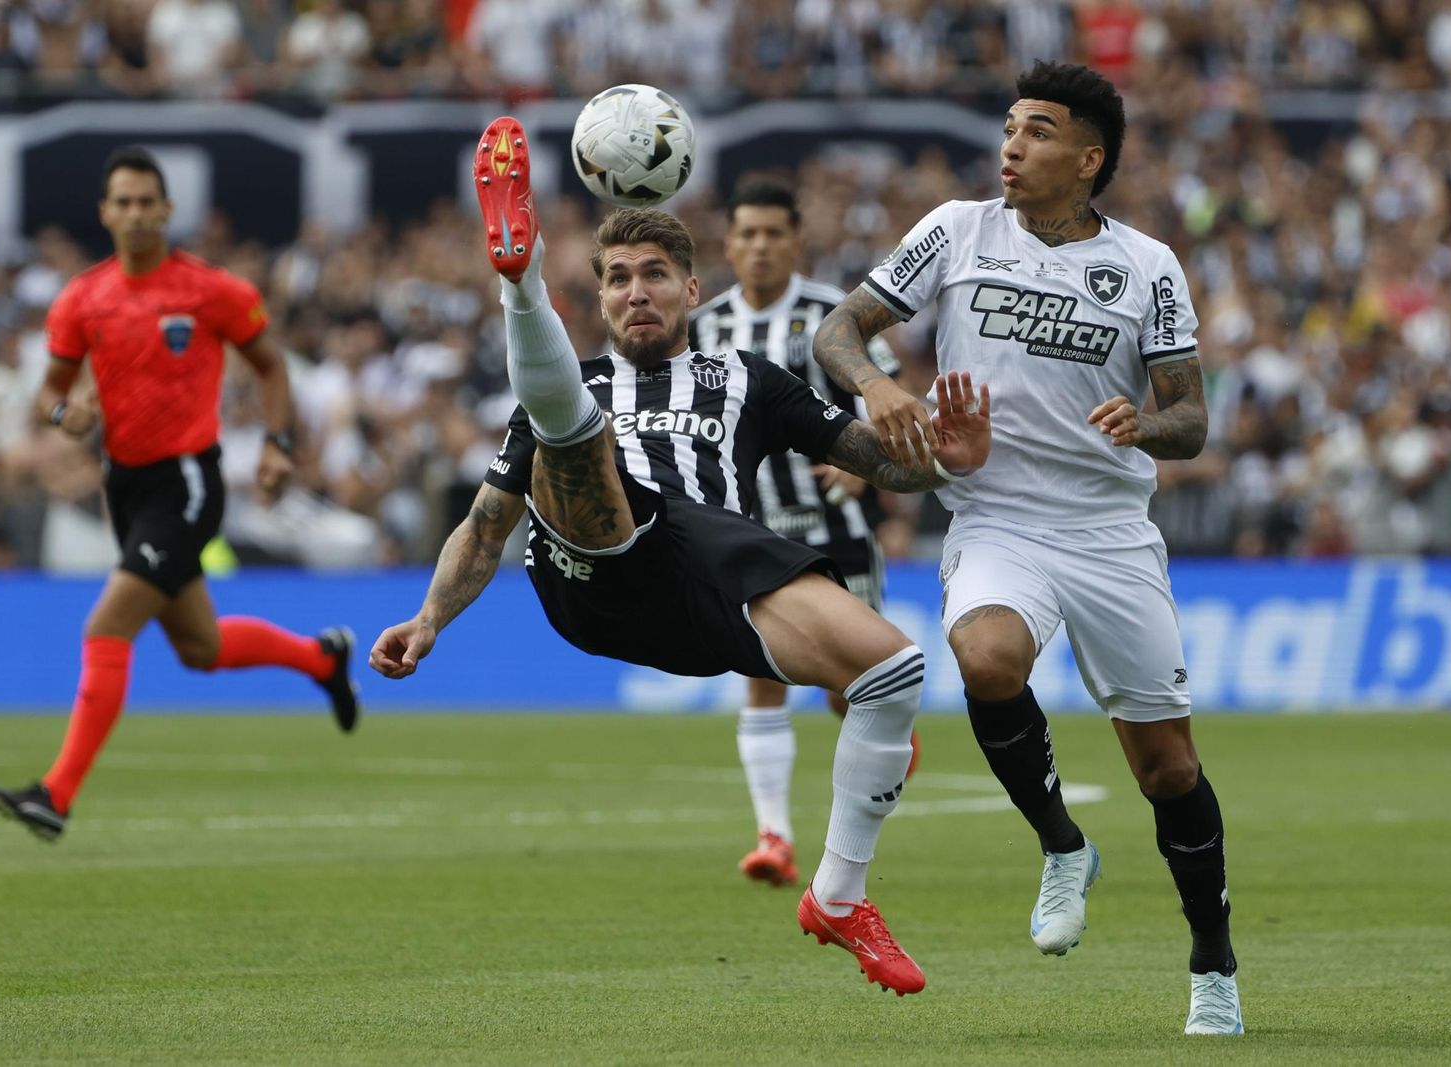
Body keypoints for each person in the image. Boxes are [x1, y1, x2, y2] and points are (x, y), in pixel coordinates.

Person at [368, 118, 992, 996]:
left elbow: (880, 462)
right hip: (596, 575)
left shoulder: (752, 381)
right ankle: (521, 284)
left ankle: (840, 895)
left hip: (713, 589)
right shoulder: (582, 383)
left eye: (654, 275)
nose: (635, 293)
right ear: (598, 299)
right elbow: (483, 524)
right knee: (573, 436)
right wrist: (429, 619)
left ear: (693, 287)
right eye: (617, 279)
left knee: (895, 670)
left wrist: (942, 457)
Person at [813, 61, 1244, 1034]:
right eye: (1009, 127)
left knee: (1167, 770)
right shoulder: (956, 230)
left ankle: (1212, 963)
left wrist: (1146, 422)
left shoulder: (1147, 265)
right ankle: (1060, 843)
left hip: (1107, 533)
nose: (1012, 144)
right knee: (985, 655)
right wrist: (879, 389)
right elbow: (838, 330)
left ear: (1088, 159)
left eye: (1038, 131)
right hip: (995, 517)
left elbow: (1191, 420)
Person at [0, 147, 359, 843]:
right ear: (105, 212)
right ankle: (320, 658)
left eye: (144, 201)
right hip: (122, 485)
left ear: (165, 210)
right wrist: (68, 418)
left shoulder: (209, 291)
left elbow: (272, 368)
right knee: (200, 647)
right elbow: (51, 393)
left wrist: (276, 444)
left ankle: (55, 795)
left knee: (106, 627)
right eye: (120, 202)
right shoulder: (82, 299)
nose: (133, 213)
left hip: (186, 481)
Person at [691, 180, 920, 889]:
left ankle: (869, 779)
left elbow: (888, 403)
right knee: (760, 676)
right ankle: (775, 837)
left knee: (851, 690)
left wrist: (866, 473)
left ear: (797, 241)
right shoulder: (700, 328)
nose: (759, 246)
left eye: (773, 233)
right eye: (747, 233)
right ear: (729, 244)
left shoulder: (833, 316)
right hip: (748, 528)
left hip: (836, 526)